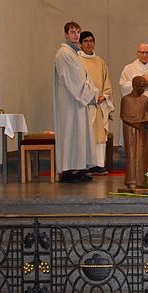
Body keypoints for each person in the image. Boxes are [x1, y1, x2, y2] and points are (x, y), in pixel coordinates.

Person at [53, 22, 102, 183]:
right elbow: (76, 80)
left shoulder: (73, 53)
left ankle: (78, 168)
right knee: (71, 134)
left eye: (78, 32)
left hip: (77, 101)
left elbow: (83, 78)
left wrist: (90, 90)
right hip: (71, 101)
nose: (76, 35)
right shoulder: (64, 53)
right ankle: (68, 171)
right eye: (72, 32)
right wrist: (92, 93)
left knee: (78, 135)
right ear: (66, 34)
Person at [77, 31, 114, 175]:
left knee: (100, 134)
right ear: (80, 44)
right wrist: (90, 96)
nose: (89, 43)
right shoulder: (77, 60)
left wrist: (103, 96)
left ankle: (98, 164)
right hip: (85, 104)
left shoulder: (100, 61)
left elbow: (107, 82)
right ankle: (86, 164)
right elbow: (78, 83)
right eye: (85, 41)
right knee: (86, 134)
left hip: (99, 104)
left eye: (91, 41)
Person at [120, 76, 148, 189]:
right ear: (134, 86)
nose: (143, 88)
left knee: (143, 154)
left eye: (144, 86)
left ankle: (142, 179)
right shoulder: (126, 99)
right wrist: (137, 123)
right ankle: (131, 180)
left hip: (143, 130)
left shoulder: (145, 100)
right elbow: (124, 116)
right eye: (141, 86)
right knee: (132, 154)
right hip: (130, 130)